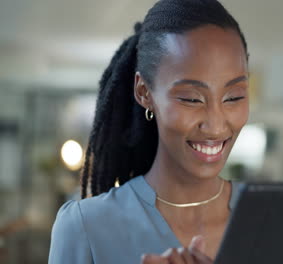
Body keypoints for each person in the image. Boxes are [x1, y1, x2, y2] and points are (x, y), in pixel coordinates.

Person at [48, 0, 249, 263]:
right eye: (191, 98)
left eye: (234, 97)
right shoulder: (86, 227)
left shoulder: (279, 216)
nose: (215, 125)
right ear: (144, 92)